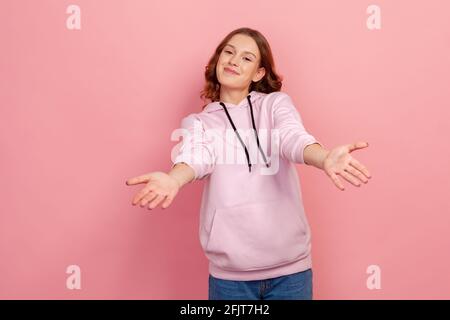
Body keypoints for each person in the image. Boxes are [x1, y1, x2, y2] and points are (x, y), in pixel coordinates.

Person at [126, 27, 371, 300]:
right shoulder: (199, 123)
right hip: (230, 280)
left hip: (291, 273)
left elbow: (292, 138)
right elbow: (196, 156)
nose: (233, 61)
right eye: (228, 52)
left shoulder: (275, 105)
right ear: (217, 61)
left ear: (259, 73)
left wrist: (324, 157)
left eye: (246, 58)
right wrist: (174, 178)